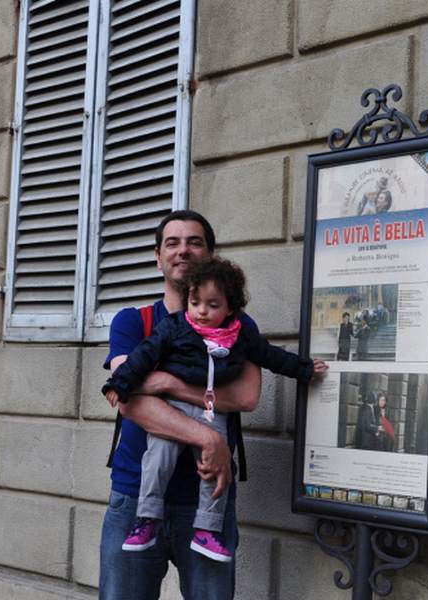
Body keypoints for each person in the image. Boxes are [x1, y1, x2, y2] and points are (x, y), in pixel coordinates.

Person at [103, 257, 327, 563]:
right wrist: (119, 383)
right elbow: (143, 356)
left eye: (212, 305)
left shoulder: (241, 334)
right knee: (158, 457)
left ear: (230, 308)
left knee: (213, 467)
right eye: (195, 303)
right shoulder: (173, 326)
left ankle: (207, 530)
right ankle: (147, 519)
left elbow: (271, 356)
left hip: (211, 412)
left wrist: (303, 369)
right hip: (174, 408)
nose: (202, 311)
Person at [100, 210, 261, 600]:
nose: (182, 250)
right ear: (158, 257)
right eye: (172, 243)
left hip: (208, 500)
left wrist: (170, 383)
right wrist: (209, 438)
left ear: (211, 255)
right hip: (135, 497)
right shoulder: (133, 322)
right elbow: (130, 401)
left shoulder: (240, 326)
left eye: (194, 242)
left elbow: (246, 397)